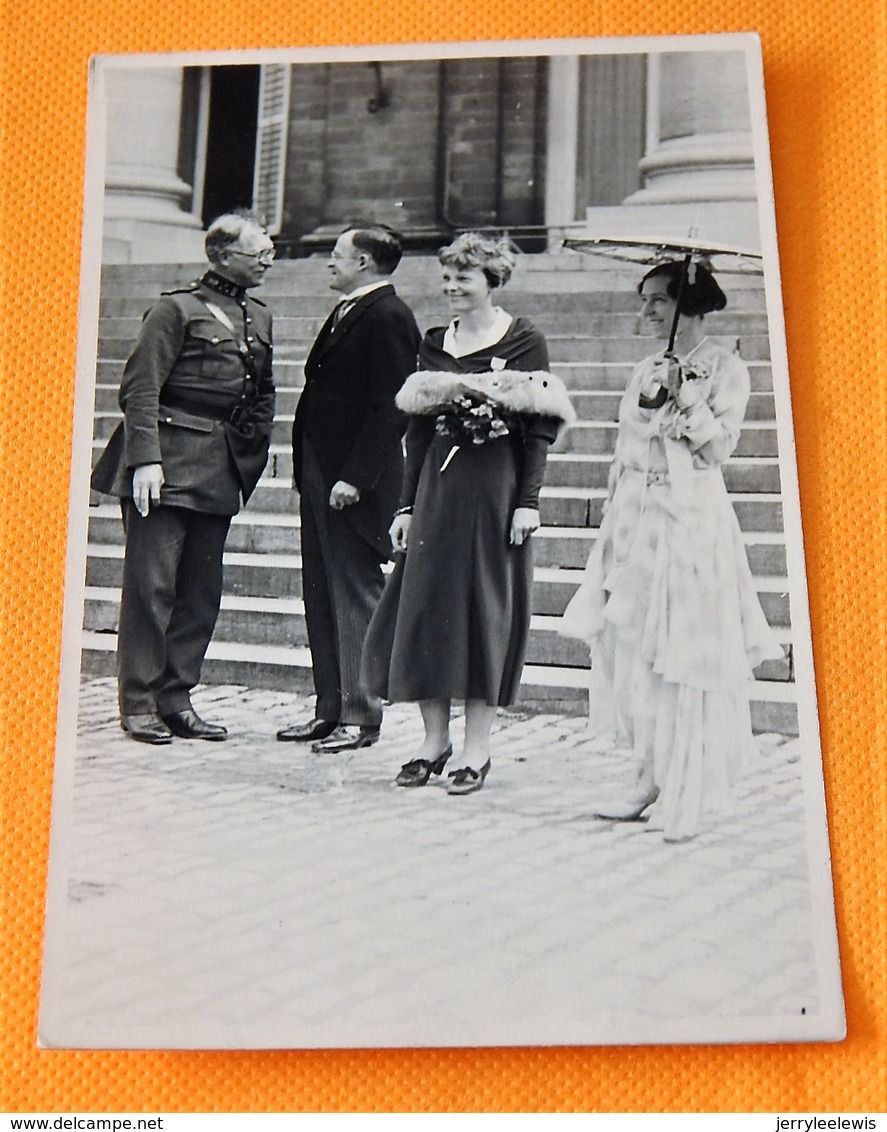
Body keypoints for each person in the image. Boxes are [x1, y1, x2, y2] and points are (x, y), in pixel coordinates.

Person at [560, 259, 784, 840]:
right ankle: (647, 774)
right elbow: (624, 450)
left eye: (659, 300)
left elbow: (718, 452)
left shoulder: (727, 369)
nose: (649, 310)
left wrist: (689, 401)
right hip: (636, 522)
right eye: (647, 300)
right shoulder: (644, 369)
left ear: (691, 304)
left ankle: (687, 786)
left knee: (683, 648)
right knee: (631, 645)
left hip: (689, 522)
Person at [360, 232, 575, 794]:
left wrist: (528, 502)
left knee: (486, 611)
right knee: (428, 605)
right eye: (447, 277)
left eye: (464, 278)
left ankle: (478, 748)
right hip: (437, 492)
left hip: (496, 492)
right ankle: (434, 741)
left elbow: (537, 432)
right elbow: (417, 431)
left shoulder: (526, 341)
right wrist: (406, 506)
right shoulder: (433, 344)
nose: (452, 286)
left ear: (493, 282)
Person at [90, 211, 276, 744]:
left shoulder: (258, 317)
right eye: (256, 252)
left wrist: (247, 455)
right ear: (221, 256)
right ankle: (139, 702)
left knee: (201, 592)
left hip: (219, 466)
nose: (266, 260)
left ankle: (177, 698)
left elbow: (263, 396)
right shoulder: (175, 310)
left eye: (268, 252)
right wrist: (144, 460)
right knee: (152, 588)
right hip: (166, 464)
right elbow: (140, 389)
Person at [276, 224, 422, 752]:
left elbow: (393, 407)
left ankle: (362, 715)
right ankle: (329, 708)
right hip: (322, 470)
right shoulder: (350, 309)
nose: (328, 263)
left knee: (354, 591)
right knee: (321, 590)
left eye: (337, 255)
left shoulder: (388, 315)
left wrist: (356, 478)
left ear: (363, 262)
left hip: (352, 481)